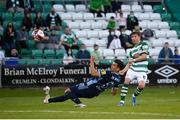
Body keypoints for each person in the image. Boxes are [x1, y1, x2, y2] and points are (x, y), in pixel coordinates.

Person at [43, 57, 125, 108]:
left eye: (114, 65)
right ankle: (49, 100)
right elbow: (114, 93)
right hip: (94, 93)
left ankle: (79, 104)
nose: (111, 65)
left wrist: (91, 62)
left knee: (68, 91)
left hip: (88, 87)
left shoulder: (108, 72)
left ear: (118, 69)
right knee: (68, 95)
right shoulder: (118, 79)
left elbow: (93, 73)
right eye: (112, 64)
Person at [118, 32, 149, 106]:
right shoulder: (131, 50)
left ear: (139, 37)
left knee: (141, 86)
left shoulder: (144, 44)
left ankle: (134, 96)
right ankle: (122, 102)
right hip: (133, 69)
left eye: (135, 36)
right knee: (126, 81)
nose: (133, 38)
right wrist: (123, 70)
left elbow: (144, 56)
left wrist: (134, 60)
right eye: (132, 37)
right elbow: (129, 63)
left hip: (142, 71)